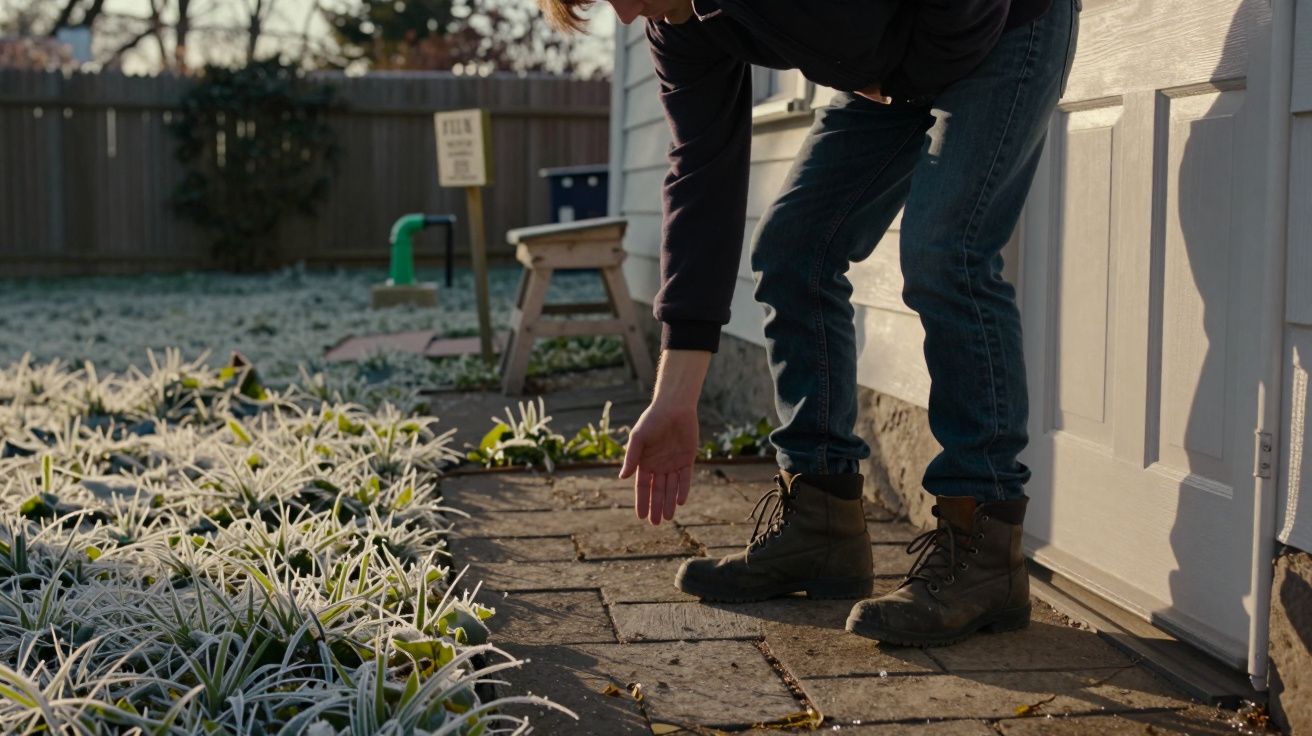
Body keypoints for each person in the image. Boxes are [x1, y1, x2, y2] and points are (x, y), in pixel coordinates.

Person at [540, 0, 1080, 646]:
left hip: (1000, 23)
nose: (624, 17)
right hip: (904, 60)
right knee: (794, 247)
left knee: (945, 250)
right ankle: (821, 523)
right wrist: (673, 397)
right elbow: (701, 179)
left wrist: (909, 73)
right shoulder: (677, 27)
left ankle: (986, 550)